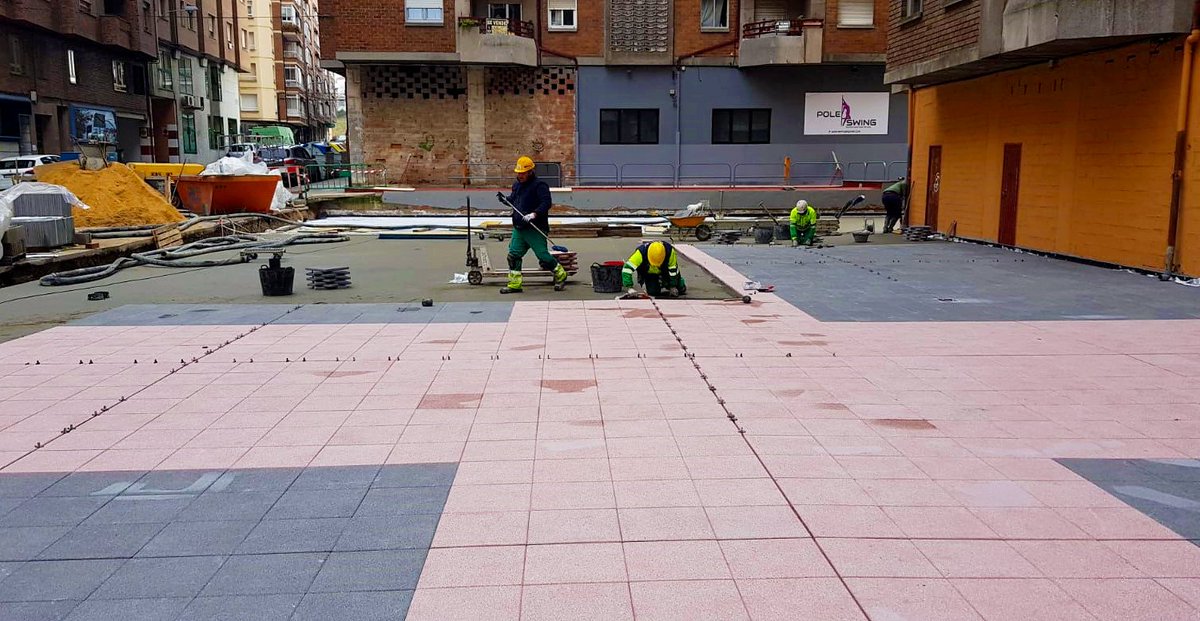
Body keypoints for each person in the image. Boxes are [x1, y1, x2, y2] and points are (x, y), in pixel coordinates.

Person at [500, 156, 568, 294]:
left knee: (543, 256)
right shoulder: (516, 185)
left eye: (523, 173)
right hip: (519, 227)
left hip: (534, 228)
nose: (520, 175)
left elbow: (546, 203)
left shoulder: (539, 185)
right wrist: (505, 200)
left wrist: (534, 214)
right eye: (518, 173)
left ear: (530, 171)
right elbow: (514, 200)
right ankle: (514, 284)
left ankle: (561, 274)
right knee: (513, 256)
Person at [622, 240, 686, 298]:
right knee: (653, 292)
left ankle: (675, 284)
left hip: (666, 272)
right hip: (650, 274)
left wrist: (673, 286)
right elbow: (627, 269)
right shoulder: (641, 253)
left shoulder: (669, 251)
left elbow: (673, 270)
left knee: (681, 289)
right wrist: (629, 287)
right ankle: (660, 284)